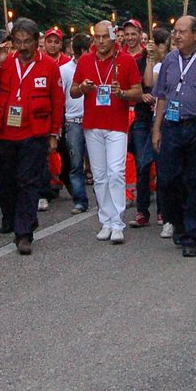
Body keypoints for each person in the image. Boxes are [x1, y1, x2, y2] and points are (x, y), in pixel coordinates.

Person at [0, 18, 63, 255]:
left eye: (27, 41)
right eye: (18, 41)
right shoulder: (4, 62)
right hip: (5, 132)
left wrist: (54, 134)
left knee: (28, 182)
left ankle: (24, 232)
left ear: (37, 42)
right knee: (4, 182)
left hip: (34, 133)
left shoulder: (49, 66)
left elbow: (58, 101)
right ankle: (14, 216)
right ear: (12, 41)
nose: (23, 46)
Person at [150, 15, 196, 258]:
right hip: (172, 125)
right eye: (175, 31)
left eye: (183, 32)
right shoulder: (170, 60)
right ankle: (178, 223)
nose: (177, 36)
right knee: (168, 179)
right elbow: (162, 95)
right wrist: (157, 128)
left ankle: (192, 235)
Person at [70, 20, 142, 243]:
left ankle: (118, 222)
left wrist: (122, 94)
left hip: (117, 125)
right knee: (99, 176)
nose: (100, 41)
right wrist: (82, 88)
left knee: (116, 172)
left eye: (104, 37)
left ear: (113, 37)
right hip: (92, 124)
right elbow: (73, 91)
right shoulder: (85, 60)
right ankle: (106, 220)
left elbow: (138, 93)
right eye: (97, 37)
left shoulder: (126, 60)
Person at [127, 22, 168, 228]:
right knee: (142, 164)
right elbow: (147, 83)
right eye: (156, 44)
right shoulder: (141, 61)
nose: (159, 48)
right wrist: (150, 60)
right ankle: (142, 211)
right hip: (143, 118)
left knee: (162, 167)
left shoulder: (172, 63)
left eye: (162, 45)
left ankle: (163, 210)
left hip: (162, 121)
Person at [55, 32, 92, 213]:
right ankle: (80, 200)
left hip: (93, 119)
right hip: (73, 121)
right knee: (75, 163)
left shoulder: (94, 67)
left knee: (99, 164)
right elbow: (59, 97)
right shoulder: (64, 70)